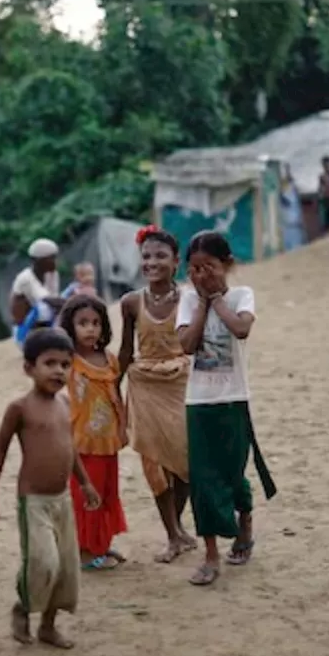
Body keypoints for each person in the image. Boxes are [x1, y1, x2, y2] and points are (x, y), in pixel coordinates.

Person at [0, 328, 101, 650]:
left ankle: (48, 626)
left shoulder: (65, 404)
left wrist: (85, 482)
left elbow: (69, 448)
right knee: (43, 563)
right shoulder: (19, 408)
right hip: (33, 501)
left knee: (65, 568)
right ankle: (23, 606)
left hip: (62, 500)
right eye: (49, 363)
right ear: (29, 368)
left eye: (65, 365)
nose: (58, 371)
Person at [176, 230, 277, 587]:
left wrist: (217, 299)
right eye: (195, 269)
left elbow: (241, 329)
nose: (202, 275)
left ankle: (244, 524)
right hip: (198, 401)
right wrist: (202, 303)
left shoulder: (241, 296)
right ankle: (210, 555)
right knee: (202, 479)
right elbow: (187, 345)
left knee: (234, 471)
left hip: (234, 397)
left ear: (227, 265)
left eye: (210, 267)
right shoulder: (188, 300)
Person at [117, 225, 196, 564]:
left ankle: (178, 527)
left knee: (184, 460)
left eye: (161, 256)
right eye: (146, 256)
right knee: (153, 463)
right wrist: (111, 389)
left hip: (182, 384)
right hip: (144, 385)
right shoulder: (131, 302)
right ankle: (173, 534)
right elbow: (123, 350)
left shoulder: (190, 299)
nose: (152, 262)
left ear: (176, 262)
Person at [57, 294, 129, 570]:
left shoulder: (110, 360)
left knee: (107, 493)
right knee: (86, 496)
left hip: (108, 442)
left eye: (96, 323)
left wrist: (123, 428)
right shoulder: (68, 361)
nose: (90, 328)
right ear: (70, 327)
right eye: (83, 323)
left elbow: (115, 396)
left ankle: (101, 544)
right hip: (81, 444)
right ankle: (86, 553)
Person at [11, 239, 65, 344]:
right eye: (51, 258)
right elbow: (48, 300)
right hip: (25, 332)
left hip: (47, 325)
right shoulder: (25, 278)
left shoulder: (52, 274)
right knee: (44, 307)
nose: (56, 262)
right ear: (38, 261)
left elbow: (57, 301)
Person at [317, 156, 329, 232]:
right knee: (328, 216)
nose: (327, 167)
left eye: (328, 164)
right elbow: (320, 188)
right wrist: (319, 196)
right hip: (327, 198)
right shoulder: (322, 176)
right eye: (325, 165)